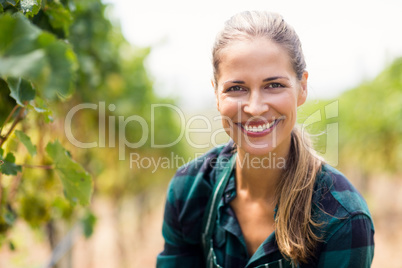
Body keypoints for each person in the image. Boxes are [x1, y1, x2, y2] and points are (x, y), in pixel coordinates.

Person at [157, 11, 374, 268]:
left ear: (302, 87)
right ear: (216, 94)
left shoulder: (342, 218)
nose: (255, 107)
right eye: (236, 88)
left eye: (274, 85)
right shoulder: (189, 190)